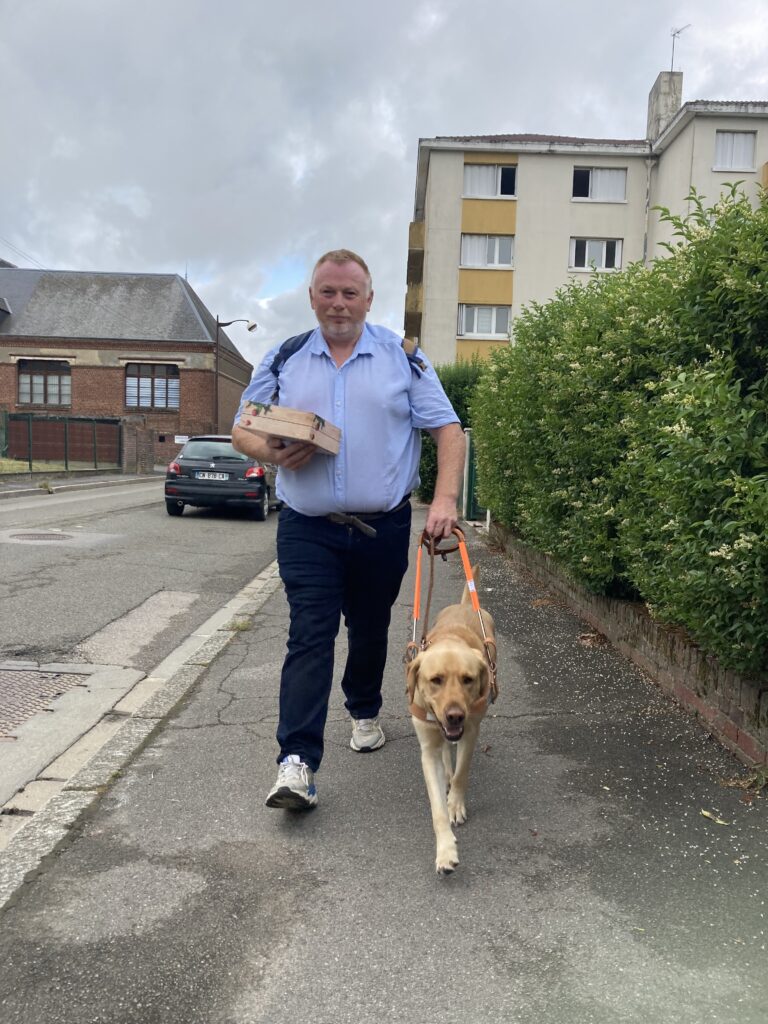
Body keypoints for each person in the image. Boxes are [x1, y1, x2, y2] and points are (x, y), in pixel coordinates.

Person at [232, 248, 465, 811]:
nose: (338, 303)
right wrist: (272, 450)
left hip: (379, 528)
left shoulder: (403, 358)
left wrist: (445, 500)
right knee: (309, 633)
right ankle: (296, 764)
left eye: (349, 293)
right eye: (327, 292)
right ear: (312, 296)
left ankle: (363, 708)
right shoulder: (285, 358)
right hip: (306, 527)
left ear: (368, 299)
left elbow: (449, 431)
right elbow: (242, 428)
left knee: (367, 627)